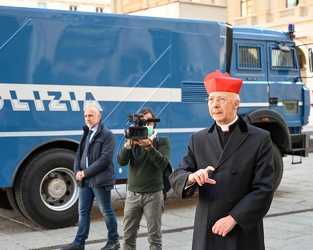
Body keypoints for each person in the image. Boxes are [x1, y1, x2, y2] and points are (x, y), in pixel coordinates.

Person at [169, 70, 275, 250]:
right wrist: (192, 178)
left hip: (241, 227)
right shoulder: (199, 138)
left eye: (221, 99)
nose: (215, 105)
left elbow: (264, 188)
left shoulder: (259, 138)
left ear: (236, 104)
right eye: (211, 99)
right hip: (208, 226)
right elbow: (177, 175)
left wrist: (234, 218)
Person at [61, 105, 120, 250]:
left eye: (91, 115)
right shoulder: (86, 133)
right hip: (85, 180)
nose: (88, 118)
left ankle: (114, 241)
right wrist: (77, 171)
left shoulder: (107, 135)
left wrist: (85, 173)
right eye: (86, 116)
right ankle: (79, 243)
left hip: (99, 180)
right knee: (83, 211)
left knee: (106, 211)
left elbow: (105, 159)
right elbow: (78, 155)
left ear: (99, 117)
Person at [117, 107, 171, 250]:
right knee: (128, 236)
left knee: (154, 238)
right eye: (143, 123)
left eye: (149, 123)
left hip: (153, 196)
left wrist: (149, 147)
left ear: (154, 124)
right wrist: (128, 145)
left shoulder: (163, 141)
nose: (146, 126)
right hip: (132, 196)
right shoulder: (133, 142)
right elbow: (121, 162)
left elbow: (163, 163)